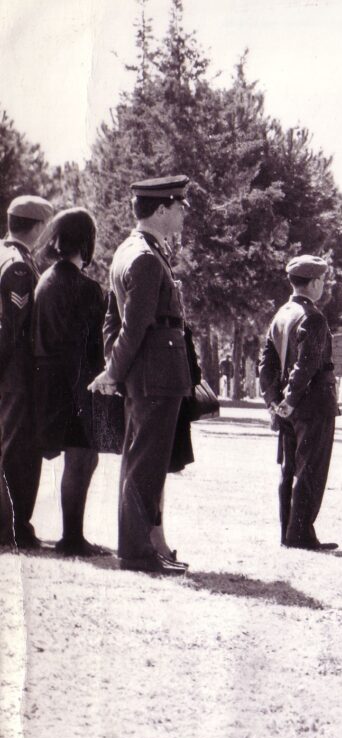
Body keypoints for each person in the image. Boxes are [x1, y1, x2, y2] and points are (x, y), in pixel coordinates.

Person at [88, 175, 192, 574]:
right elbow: (133, 326)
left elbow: (111, 324)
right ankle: (136, 553)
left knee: (139, 461)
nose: (183, 213)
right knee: (145, 464)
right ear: (162, 209)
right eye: (179, 206)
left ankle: (138, 548)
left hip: (146, 373)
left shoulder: (131, 251)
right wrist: (114, 372)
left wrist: (114, 370)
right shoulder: (146, 257)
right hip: (155, 373)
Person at [32, 208, 107, 556]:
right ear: (86, 241)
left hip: (47, 381)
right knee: (83, 460)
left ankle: (71, 535)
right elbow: (89, 347)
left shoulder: (44, 279)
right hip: (77, 384)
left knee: (77, 462)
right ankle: (72, 537)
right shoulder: (88, 289)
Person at [258, 255, 340, 551]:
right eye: (323, 281)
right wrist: (290, 400)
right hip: (313, 403)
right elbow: (307, 364)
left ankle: (289, 532)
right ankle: (301, 534)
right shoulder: (313, 317)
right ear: (315, 283)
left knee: (289, 468)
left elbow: (265, 364)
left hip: (287, 407)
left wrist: (274, 402)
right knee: (310, 470)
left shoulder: (281, 315)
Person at [0, 195, 54, 550]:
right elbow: (16, 328)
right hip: (16, 373)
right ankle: (15, 526)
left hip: (10, 374)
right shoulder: (19, 266)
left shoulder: (5, 254)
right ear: (36, 227)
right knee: (18, 451)